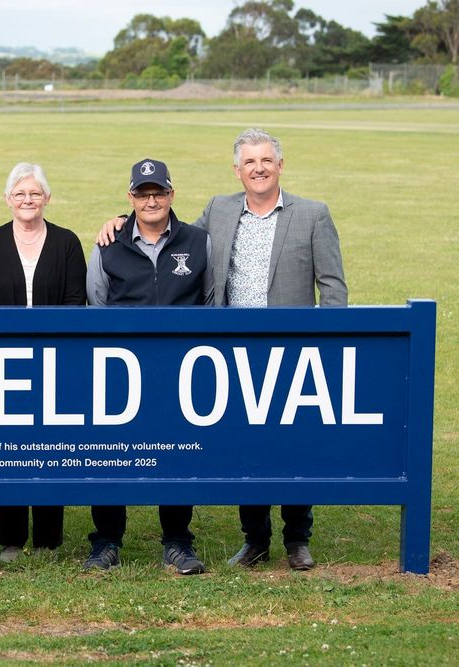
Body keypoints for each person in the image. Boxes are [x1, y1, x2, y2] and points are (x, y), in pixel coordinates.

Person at [96, 129, 347, 571]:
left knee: (293, 446)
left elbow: (333, 287)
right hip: (236, 350)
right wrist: (119, 221)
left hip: (293, 350)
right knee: (248, 446)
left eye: (266, 160)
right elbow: (167, 232)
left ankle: (297, 539)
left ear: (280, 165)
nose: (258, 169)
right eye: (249, 162)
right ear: (237, 170)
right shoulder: (220, 209)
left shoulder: (313, 214)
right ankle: (256, 539)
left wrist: (327, 344)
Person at [85, 158, 213, 574]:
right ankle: (106, 541)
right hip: (121, 368)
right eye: (143, 194)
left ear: (172, 195)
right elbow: (97, 305)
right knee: (110, 452)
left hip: (180, 367)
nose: (151, 200)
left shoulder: (198, 241)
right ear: (130, 197)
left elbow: (211, 301)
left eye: (159, 192)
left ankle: (177, 541)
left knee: (178, 451)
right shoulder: (108, 243)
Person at [0, 162, 87, 563]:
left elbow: (75, 304)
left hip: (55, 363)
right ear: (7, 199)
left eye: (35, 193)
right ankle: (11, 540)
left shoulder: (67, 242)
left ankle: (48, 540)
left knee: (51, 450)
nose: (27, 200)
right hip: (4, 364)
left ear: (47, 197)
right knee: (9, 450)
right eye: (20, 193)